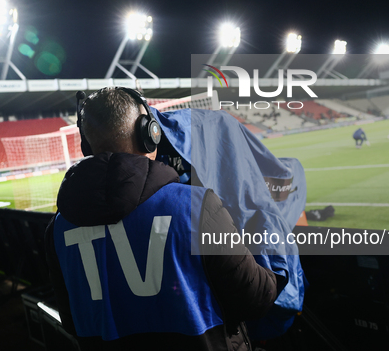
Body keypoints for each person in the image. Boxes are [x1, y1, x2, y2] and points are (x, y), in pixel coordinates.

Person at [45, 87, 278, 351]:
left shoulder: (57, 229)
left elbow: (73, 322)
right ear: (150, 133)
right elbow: (256, 299)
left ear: (86, 145)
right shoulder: (196, 206)